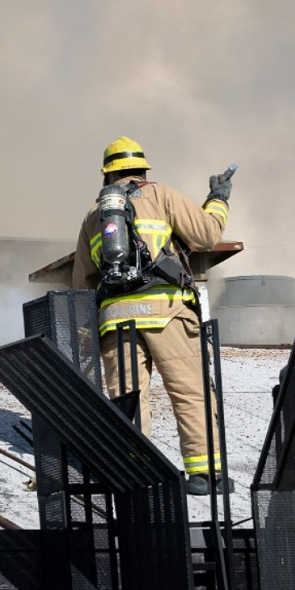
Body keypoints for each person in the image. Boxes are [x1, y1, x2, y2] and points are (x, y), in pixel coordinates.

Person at [72, 136, 234, 496]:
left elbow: (82, 283)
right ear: (142, 170)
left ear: (107, 175)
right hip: (167, 313)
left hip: (115, 319)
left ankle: (135, 472)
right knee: (189, 390)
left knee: (126, 397)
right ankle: (205, 474)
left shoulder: (92, 216)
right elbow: (206, 234)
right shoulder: (161, 195)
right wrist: (218, 200)